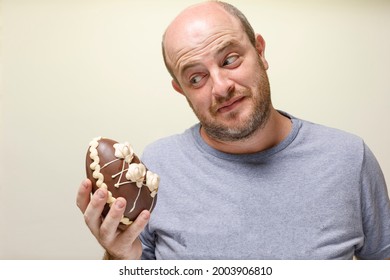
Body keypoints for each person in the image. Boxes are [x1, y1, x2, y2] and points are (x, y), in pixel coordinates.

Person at [76, 1, 390, 260]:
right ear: (180, 89)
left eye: (229, 59)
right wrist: (119, 258)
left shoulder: (348, 159)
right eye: (196, 78)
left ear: (260, 51)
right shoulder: (157, 166)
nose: (222, 87)